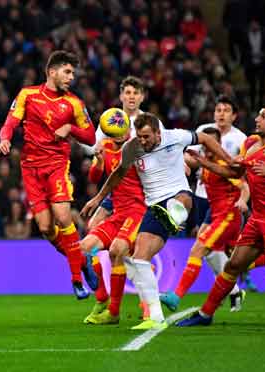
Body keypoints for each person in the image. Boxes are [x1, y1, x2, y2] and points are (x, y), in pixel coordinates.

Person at [177, 104, 265, 329]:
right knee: (233, 266)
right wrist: (205, 162)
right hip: (258, 217)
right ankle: (205, 315)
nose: (257, 119)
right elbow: (235, 172)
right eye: (258, 115)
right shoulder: (250, 143)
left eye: (263, 117)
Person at [82, 113, 233, 329]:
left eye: (146, 137)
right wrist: (97, 199)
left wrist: (228, 160)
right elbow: (117, 174)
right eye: (140, 137)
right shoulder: (132, 148)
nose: (142, 141)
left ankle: (175, 217)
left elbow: (206, 139)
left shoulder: (176, 137)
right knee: (139, 259)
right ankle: (155, 317)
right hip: (153, 206)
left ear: (157, 133)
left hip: (179, 195)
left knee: (180, 201)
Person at [0, 50, 98, 299]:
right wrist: (5, 139)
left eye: (73, 72)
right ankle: (82, 260)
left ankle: (76, 281)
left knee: (63, 217)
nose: (71, 77)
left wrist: (70, 128)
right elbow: (11, 121)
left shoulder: (74, 103)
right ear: (51, 72)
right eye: (67, 71)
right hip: (30, 168)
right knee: (44, 227)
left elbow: (91, 136)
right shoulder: (28, 94)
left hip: (56, 165)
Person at [160, 127, 249, 314]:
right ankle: (234, 291)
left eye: (212, 145)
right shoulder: (205, 163)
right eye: (205, 145)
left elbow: (243, 186)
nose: (208, 149)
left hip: (227, 216)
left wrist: (242, 200)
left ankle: (177, 296)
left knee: (199, 249)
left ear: (218, 145)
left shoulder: (224, 165)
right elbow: (184, 157)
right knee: (219, 255)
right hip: (216, 214)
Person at [80, 116, 147, 325]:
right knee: (82, 249)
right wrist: (99, 161)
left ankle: (114, 311)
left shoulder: (138, 147)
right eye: (117, 134)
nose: (124, 135)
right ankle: (101, 297)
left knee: (118, 250)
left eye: (126, 130)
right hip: (117, 213)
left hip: (138, 211)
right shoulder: (105, 147)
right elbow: (93, 178)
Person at [81, 76, 162, 231]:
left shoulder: (149, 122)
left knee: (135, 236)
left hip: (142, 190)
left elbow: (163, 148)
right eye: (128, 92)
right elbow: (94, 147)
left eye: (136, 93)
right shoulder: (110, 118)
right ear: (121, 96)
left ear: (142, 97)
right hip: (116, 187)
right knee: (92, 226)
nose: (131, 96)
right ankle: (104, 254)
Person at [187, 96, 247, 235]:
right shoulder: (203, 130)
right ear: (214, 113)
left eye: (226, 110)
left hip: (227, 196)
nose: (221, 113)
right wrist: (191, 164)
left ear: (234, 116)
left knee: (208, 239)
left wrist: (243, 199)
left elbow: (242, 173)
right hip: (202, 193)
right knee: (203, 237)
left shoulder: (241, 138)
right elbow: (191, 156)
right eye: (218, 110)